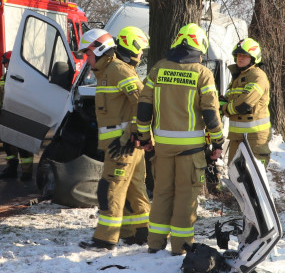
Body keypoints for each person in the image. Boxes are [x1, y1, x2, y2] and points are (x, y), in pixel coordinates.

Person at [134, 23, 224, 255]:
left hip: (163, 147)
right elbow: (211, 113)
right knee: (185, 195)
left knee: (162, 192)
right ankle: (181, 247)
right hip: (191, 150)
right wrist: (218, 142)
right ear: (199, 46)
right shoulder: (202, 73)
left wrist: (145, 137)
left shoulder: (158, 69)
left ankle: (155, 243)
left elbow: (143, 107)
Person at [77, 26, 151, 250]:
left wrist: (131, 134)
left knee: (109, 189)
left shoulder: (117, 70)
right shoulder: (109, 72)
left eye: (87, 54)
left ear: (99, 50)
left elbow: (143, 102)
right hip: (123, 144)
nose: (85, 59)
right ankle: (139, 233)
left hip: (123, 145)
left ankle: (104, 240)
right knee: (133, 190)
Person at [222, 37, 271, 168]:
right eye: (238, 55)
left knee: (253, 178)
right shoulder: (238, 77)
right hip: (236, 136)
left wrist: (225, 109)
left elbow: (245, 103)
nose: (240, 58)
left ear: (253, 58)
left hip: (254, 137)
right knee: (234, 174)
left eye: (244, 55)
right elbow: (230, 99)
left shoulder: (257, 75)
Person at [0, 51, 35, 181]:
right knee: (8, 142)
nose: (5, 65)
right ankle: (12, 168)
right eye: (4, 63)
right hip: (7, 113)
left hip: (21, 114)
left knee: (23, 144)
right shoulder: (4, 78)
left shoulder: (24, 77)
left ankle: (27, 172)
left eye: (6, 62)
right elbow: (0, 96)